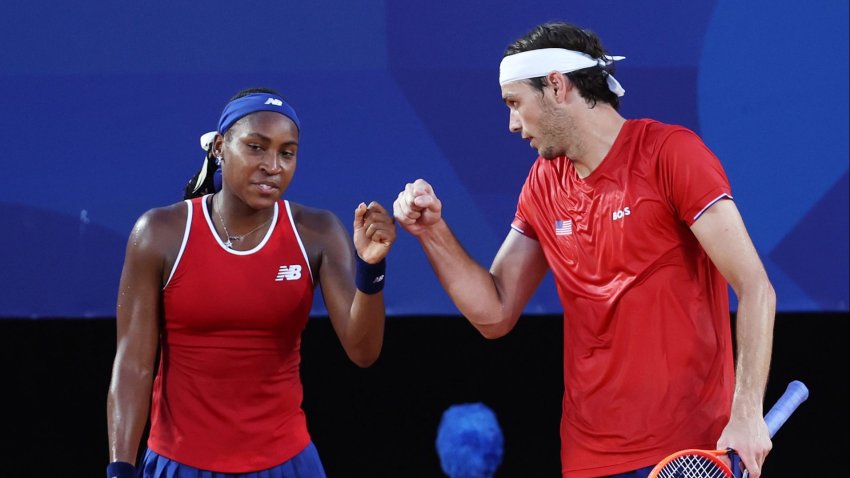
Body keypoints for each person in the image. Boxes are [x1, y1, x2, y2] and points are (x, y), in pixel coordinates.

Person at [393, 22, 775, 478]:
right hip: (587, 457)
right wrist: (433, 232)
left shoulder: (672, 155)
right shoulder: (543, 182)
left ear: (556, 85)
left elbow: (755, 289)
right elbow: (494, 312)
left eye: (515, 103)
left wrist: (748, 411)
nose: (512, 124)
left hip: (687, 451)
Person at [106, 87, 396, 478]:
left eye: (286, 152)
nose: (272, 165)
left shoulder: (318, 232)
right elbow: (133, 366)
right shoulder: (159, 232)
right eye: (256, 147)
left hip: (286, 463)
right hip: (181, 463)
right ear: (220, 148)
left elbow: (363, 351)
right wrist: (120, 469)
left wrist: (371, 269)